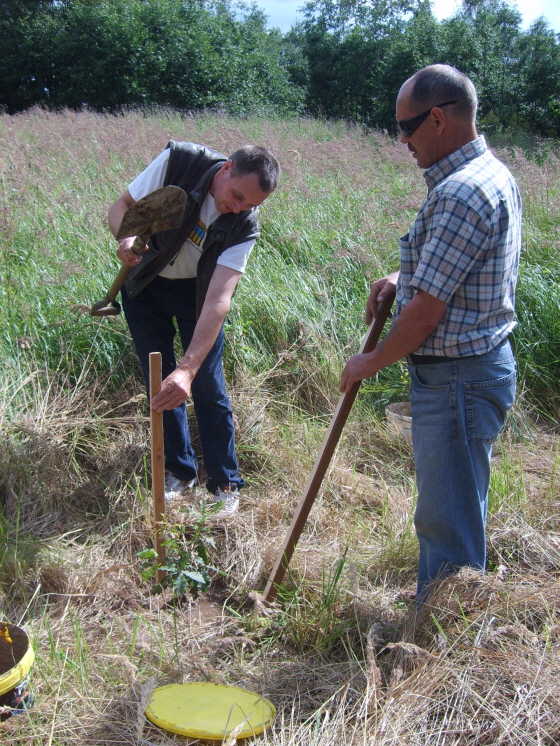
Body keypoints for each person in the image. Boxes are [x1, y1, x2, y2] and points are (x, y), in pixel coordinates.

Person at [340, 65, 521, 602]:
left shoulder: (461, 193)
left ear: (438, 118)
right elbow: (462, 268)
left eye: (408, 126)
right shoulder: (489, 173)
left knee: (446, 521)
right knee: (458, 505)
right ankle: (447, 611)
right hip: (470, 373)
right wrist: (405, 276)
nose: (402, 140)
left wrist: (367, 364)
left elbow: (424, 316)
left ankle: (442, 637)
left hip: (458, 381)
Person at [108, 141, 280, 514]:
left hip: (198, 295)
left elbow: (219, 299)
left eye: (250, 204)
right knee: (160, 382)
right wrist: (124, 237)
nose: (238, 207)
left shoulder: (244, 226)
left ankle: (224, 483)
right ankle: (179, 472)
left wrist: (188, 368)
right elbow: (121, 207)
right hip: (146, 284)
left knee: (205, 383)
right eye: (236, 196)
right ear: (225, 169)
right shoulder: (179, 163)